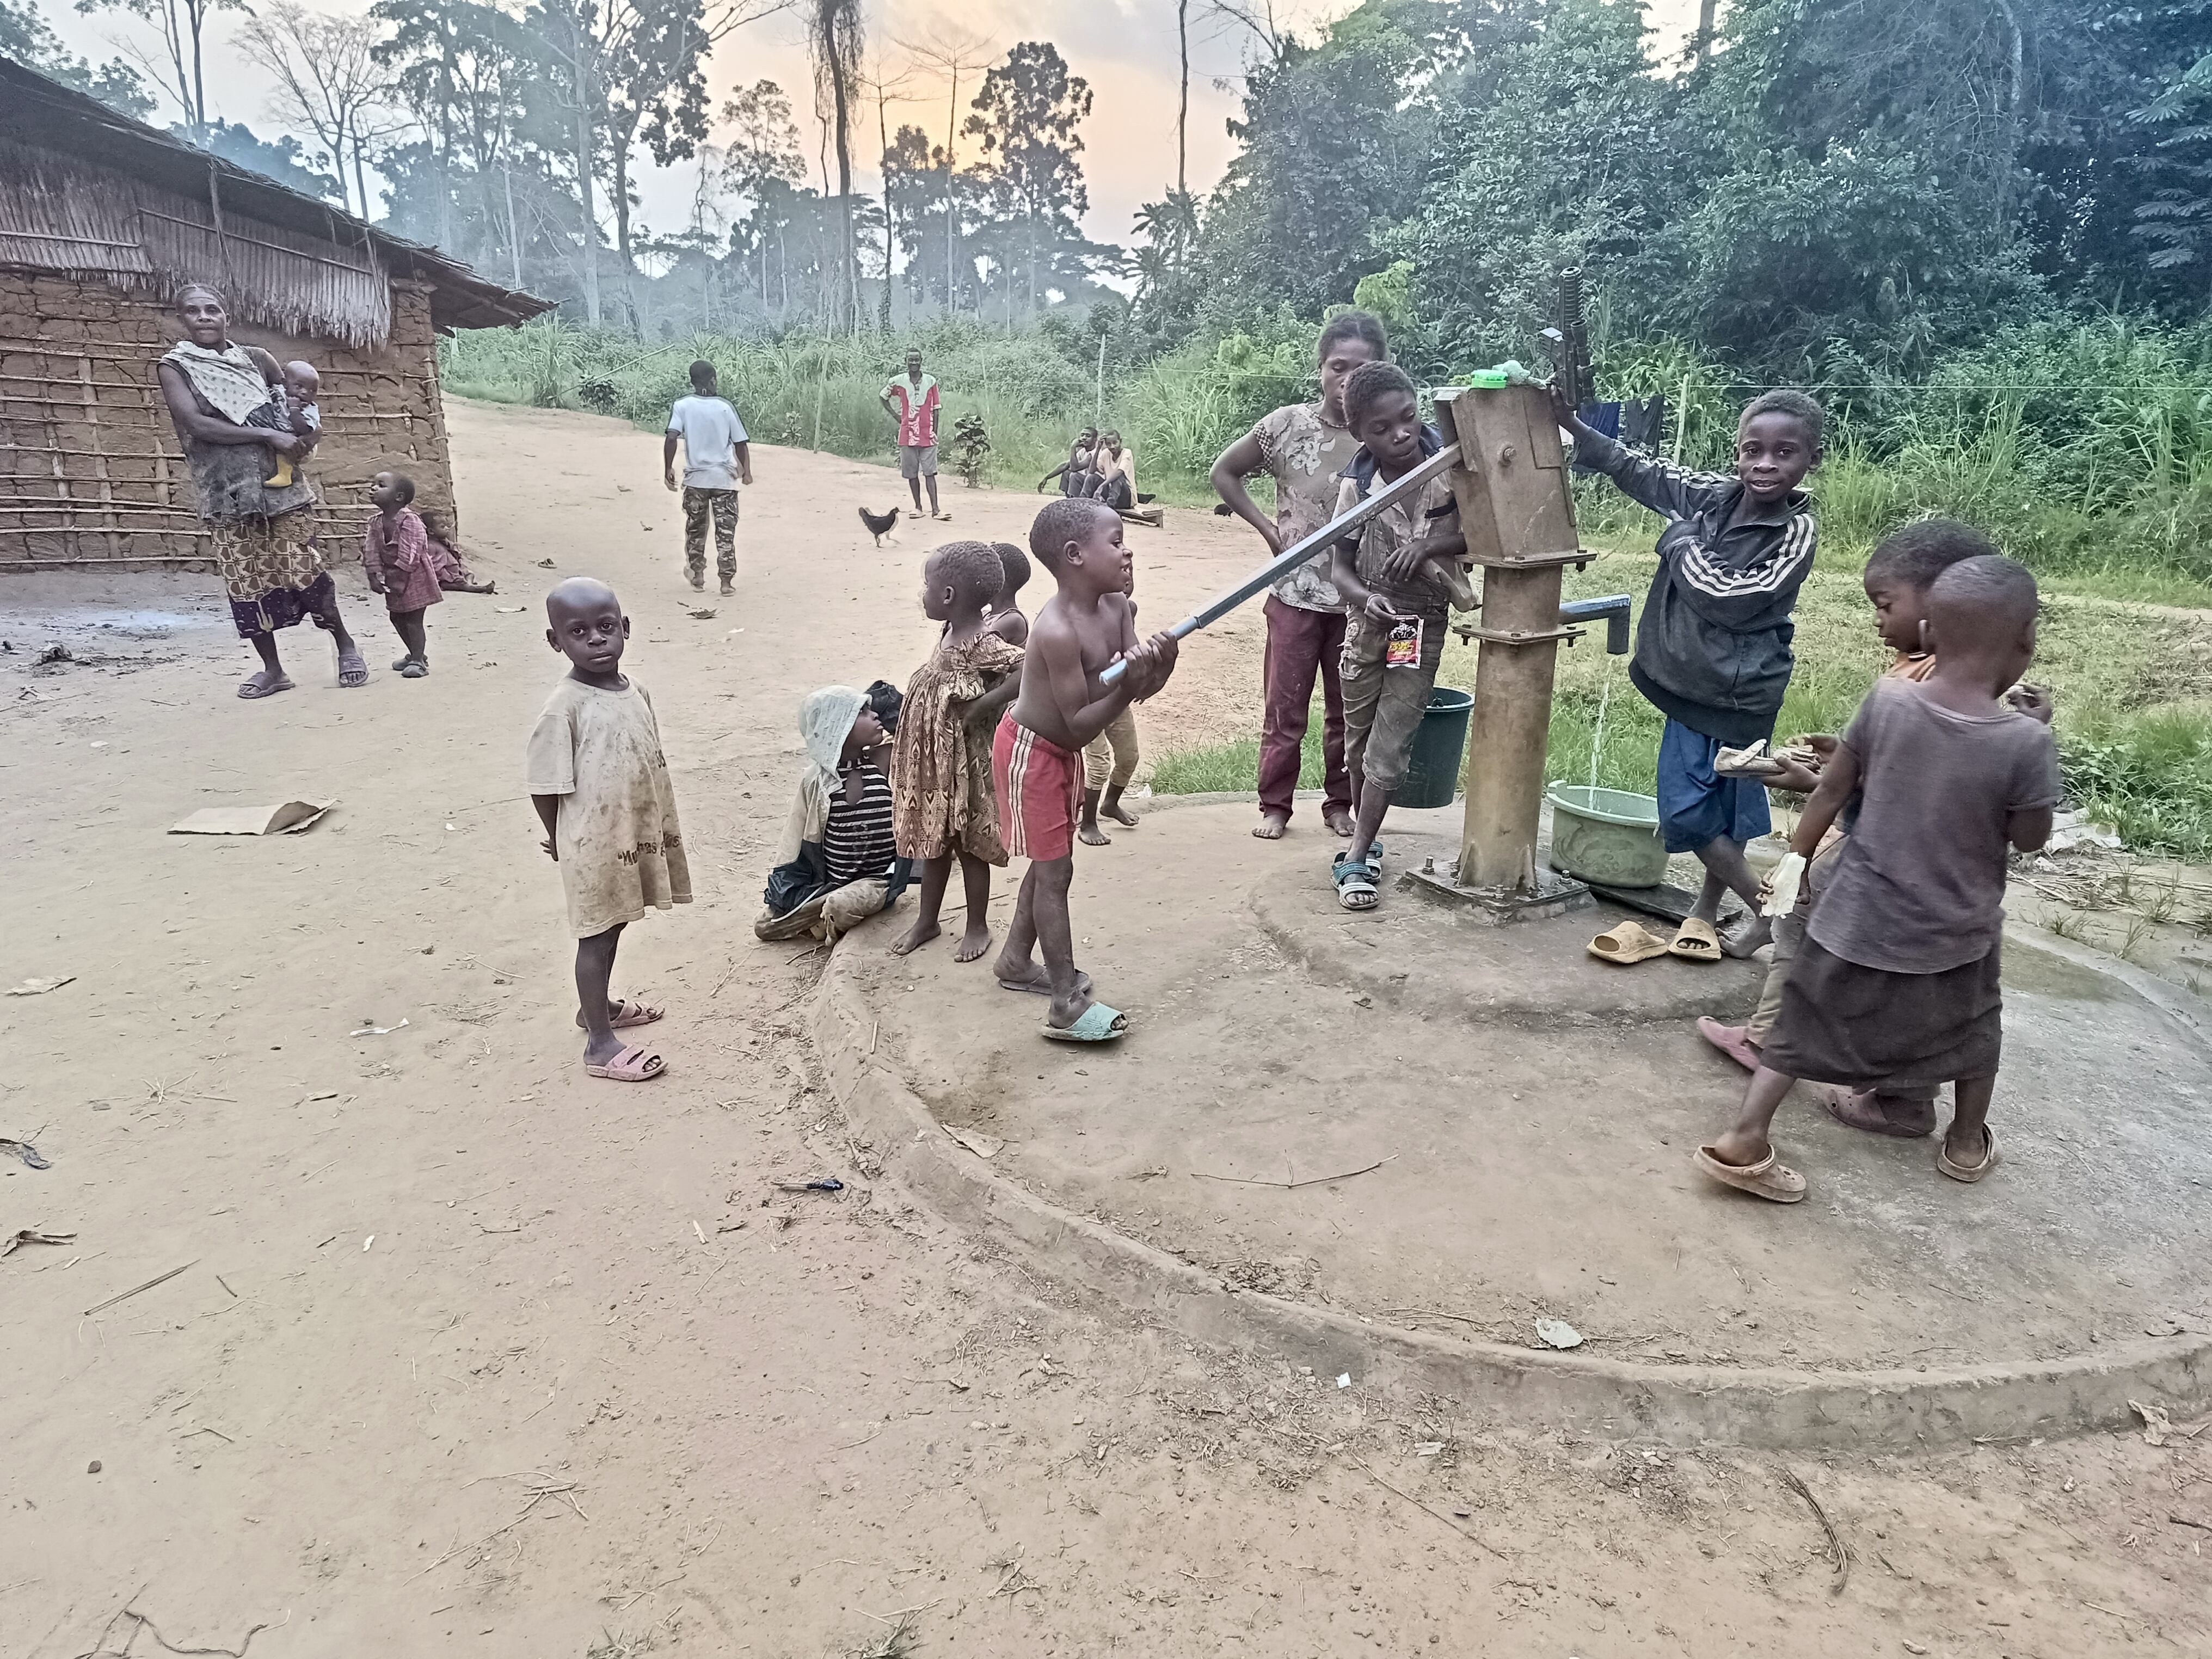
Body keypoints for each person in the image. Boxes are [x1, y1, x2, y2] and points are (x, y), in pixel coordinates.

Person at [1695, 554, 2059, 1203]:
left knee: (1799, 1026)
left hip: (1853, 915)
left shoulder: (1888, 701)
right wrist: (2033, 734)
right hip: (1953, 933)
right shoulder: (2023, 744)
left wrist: (1793, 865)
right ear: (2025, 641)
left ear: (1929, 634)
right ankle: (1966, 1142)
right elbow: (2028, 839)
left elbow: (1830, 791)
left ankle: (1745, 1137)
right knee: (1975, 1032)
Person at [1551, 382, 1822, 962]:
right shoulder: (1714, 498)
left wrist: (1677, 542)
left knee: (1703, 816)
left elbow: (1731, 595)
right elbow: (1641, 470)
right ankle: (1751, 918)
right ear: (1737, 452)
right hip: (1691, 683)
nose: (1766, 464)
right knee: (1707, 812)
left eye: (1784, 452)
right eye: (1753, 450)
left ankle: (1770, 915)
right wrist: (1573, 427)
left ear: (1810, 460)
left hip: (1738, 690)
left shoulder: (1795, 532)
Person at [992, 499, 1179, 1041]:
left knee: (1053, 860)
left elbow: (1132, 690)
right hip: (1033, 752)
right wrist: (1129, 681)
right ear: (1074, 555)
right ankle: (1064, 1004)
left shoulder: (1117, 606)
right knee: (1056, 871)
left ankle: (1013, 961)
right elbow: (1078, 723)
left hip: (1061, 749)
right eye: (1115, 541)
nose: (1127, 550)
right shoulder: (1055, 631)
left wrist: (1158, 667)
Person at [1212, 311, 1387, 841]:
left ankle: (1340, 805)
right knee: (1285, 707)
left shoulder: (1384, 434)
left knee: (1347, 712)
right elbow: (1224, 472)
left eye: (1362, 368)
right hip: (1293, 594)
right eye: (1338, 366)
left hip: (1357, 600)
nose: (1347, 379)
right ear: (1320, 369)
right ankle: (1275, 805)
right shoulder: (1285, 427)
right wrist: (1270, 532)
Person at [155, 283, 366, 698]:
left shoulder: (256, 360)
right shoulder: (174, 368)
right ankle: (273, 670)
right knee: (245, 582)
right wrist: (268, 434)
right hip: (226, 493)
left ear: (226, 315)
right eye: (193, 311)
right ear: (181, 319)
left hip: (281, 489)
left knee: (307, 571)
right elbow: (196, 425)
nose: (204, 317)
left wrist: (305, 435)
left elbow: (297, 403)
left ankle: (345, 646)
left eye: (212, 309)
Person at [526, 577, 692, 1083]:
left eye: (605, 627)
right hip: (592, 843)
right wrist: (557, 839)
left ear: (625, 628)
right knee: (595, 935)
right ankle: (600, 1044)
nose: (596, 640)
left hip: (628, 835)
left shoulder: (636, 690)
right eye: (578, 632)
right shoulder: (564, 707)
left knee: (614, 925)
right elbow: (543, 783)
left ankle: (594, 1011)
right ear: (557, 642)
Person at [1325, 362, 1476, 913]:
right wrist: (1365, 600)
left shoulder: (1453, 468)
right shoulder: (1356, 486)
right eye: (1381, 428)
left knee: (1391, 741)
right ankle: (1366, 830)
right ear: (1360, 434)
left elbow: (1484, 531)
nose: (1399, 434)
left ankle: (1356, 856)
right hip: (1369, 622)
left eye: (1407, 418)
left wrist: (1432, 547)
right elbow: (1338, 568)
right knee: (1358, 741)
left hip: (1417, 624)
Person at [890, 542, 1027, 961]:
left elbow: (1028, 668)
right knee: (934, 841)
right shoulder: (950, 630)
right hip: (934, 761)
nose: (923, 593)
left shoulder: (982, 641)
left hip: (964, 762)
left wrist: (983, 705)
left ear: (948, 596)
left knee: (968, 844)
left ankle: (977, 926)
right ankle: (927, 921)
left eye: (927, 585)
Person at [755, 687, 910, 943]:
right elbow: (795, 839)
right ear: (837, 727)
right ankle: (823, 916)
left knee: (840, 906)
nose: (874, 716)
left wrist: (877, 712)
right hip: (831, 883)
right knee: (763, 925)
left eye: (871, 710)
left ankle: (825, 920)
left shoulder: (883, 760)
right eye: (862, 712)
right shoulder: (815, 780)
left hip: (877, 880)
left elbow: (911, 729)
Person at [663, 359, 752, 597]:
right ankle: (726, 582)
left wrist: (668, 469)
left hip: (696, 482)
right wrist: (746, 472)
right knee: (726, 533)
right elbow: (741, 442)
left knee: (696, 531)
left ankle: (698, 577)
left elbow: (672, 437)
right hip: (724, 480)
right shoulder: (725, 407)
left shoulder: (682, 405)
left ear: (693, 381)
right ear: (713, 380)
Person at [1079, 559, 1141, 846]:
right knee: (1100, 763)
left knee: (1130, 757)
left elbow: (1132, 651)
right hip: (1089, 702)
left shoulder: (1127, 610)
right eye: (1120, 572)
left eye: (1130, 573)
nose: (1126, 578)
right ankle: (1088, 823)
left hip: (1117, 700)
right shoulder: (1083, 612)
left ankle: (1110, 804)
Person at [361, 470, 440, 678]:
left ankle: (417, 661)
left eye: (381, 485)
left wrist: (399, 578)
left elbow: (411, 553)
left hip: (415, 578)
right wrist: (374, 575)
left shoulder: (410, 521)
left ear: (399, 498)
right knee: (396, 617)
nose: (373, 488)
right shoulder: (375, 522)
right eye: (373, 484)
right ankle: (417, 654)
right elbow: (370, 550)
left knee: (413, 619)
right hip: (393, 577)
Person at [882, 349, 948, 521]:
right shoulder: (898, 381)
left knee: (930, 472)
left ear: (921, 361)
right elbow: (883, 396)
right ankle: (918, 507)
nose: (913, 363)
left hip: (927, 434)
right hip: (907, 433)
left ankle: (936, 509)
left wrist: (934, 431)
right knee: (912, 473)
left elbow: (936, 409)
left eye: (916, 360)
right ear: (906, 361)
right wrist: (896, 416)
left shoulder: (931, 381)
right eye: (910, 360)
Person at [255, 360, 320, 490]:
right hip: (277, 431)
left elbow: (304, 430)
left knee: (288, 444)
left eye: (312, 391)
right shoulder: (279, 391)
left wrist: (295, 410)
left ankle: (284, 475)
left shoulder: (309, 409)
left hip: (301, 445)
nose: (305, 392)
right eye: (299, 386)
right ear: (285, 384)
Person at [418, 508, 497, 594]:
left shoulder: (443, 542)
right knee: (460, 584)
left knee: (470, 574)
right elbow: (435, 567)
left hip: (457, 573)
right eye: (443, 527)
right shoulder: (431, 546)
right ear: (431, 531)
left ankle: (468, 584)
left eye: (447, 526)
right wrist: (448, 577)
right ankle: (478, 588)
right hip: (448, 577)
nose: (447, 529)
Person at [986, 543, 1032, 647]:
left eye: (984, 574)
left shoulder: (1013, 620)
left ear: (1000, 581)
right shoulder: (985, 614)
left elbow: (975, 647)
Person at [1079, 430, 1138, 511]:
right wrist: (1098, 448)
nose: (1112, 447)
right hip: (1111, 493)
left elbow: (1120, 472)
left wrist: (1102, 486)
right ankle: (1082, 505)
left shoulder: (1127, 453)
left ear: (1120, 442)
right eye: (1109, 444)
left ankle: (1109, 509)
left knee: (1117, 478)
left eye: (1115, 443)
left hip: (1125, 498)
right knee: (1092, 477)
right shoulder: (1106, 453)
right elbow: (1092, 471)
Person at [1037, 428, 1098, 496]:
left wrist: (1073, 448)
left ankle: (1075, 500)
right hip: (1085, 481)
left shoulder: (1095, 453)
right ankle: (1069, 499)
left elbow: (1075, 468)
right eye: (1082, 435)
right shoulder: (1083, 451)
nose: (1084, 438)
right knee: (1067, 473)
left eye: (1088, 436)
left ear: (1095, 440)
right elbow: (1065, 465)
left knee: (1074, 475)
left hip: (1093, 484)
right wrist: (1047, 478)